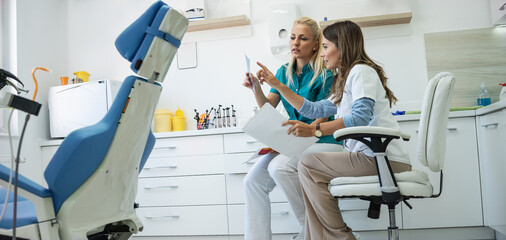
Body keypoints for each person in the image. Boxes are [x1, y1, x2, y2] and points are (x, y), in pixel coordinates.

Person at [256, 20, 411, 240]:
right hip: (368, 156)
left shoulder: (361, 72)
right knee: (308, 169)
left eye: (326, 47)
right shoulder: (347, 78)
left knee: (307, 164)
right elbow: (314, 108)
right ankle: (317, 236)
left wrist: (315, 130)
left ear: (342, 47)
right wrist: (280, 86)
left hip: (381, 158)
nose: (322, 54)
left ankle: (341, 236)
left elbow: (360, 116)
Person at [242, 17, 342, 240]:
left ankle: (310, 231)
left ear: (316, 44)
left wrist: (277, 85)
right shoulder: (283, 71)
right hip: (294, 142)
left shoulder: (325, 74)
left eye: (303, 38)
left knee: (278, 168)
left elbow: (321, 121)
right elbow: (268, 107)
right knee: (252, 181)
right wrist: (256, 88)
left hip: (320, 140)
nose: (295, 42)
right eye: (293, 37)